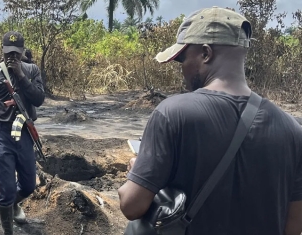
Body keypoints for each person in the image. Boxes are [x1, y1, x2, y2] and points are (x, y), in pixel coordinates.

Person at [118, 6, 302, 235]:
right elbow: (293, 227)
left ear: (206, 54)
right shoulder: (293, 130)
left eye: (183, 58)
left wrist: (138, 170)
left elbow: (131, 206)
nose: (182, 70)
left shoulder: (172, 113)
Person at [0, 31, 45, 234]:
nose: (12, 57)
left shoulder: (32, 71)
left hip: (24, 133)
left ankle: (15, 204)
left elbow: (39, 99)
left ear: (23, 52)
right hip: (1, 135)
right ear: (2, 51)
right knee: (6, 189)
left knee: (28, 185)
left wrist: (21, 76)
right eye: (8, 53)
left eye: (16, 53)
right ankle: (8, 230)